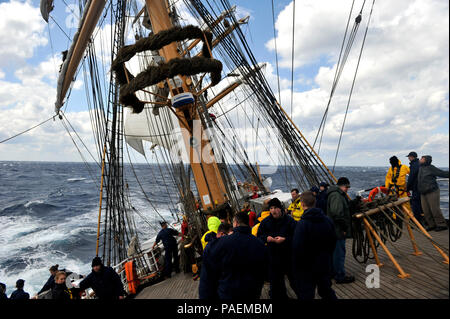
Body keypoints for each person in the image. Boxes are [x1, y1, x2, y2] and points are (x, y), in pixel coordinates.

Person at [199, 211, 267, 299]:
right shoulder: (259, 244)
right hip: (253, 293)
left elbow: (208, 276)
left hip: (228, 294)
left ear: (235, 223)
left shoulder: (221, 243)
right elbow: (265, 271)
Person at [292, 191, 337, 300]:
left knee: (307, 294)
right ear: (315, 202)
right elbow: (333, 241)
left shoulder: (302, 224)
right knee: (326, 291)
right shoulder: (327, 220)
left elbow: (297, 247)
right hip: (324, 263)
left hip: (307, 267)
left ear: (302, 204)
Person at [257, 197, 297, 299]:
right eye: (271, 208)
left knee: (295, 281)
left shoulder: (289, 220)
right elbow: (259, 237)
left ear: (280, 208)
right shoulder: (265, 222)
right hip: (273, 256)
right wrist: (266, 238)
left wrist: (285, 239)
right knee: (276, 283)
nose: (273, 211)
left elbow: (297, 236)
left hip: (288, 255)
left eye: (275, 208)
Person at [326, 177, 355, 284]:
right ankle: (340, 276)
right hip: (337, 230)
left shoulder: (335, 194)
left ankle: (334, 273)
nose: (347, 189)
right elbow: (337, 213)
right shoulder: (336, 196)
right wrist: (343, 228)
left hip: (333, 229)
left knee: (334, 253)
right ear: (342, 186)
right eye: (347, 187)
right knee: (339, 254)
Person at [418, 155, 449, 231]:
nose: (420, 159)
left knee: (434, 209)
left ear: (426, 160)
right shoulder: (420, 167)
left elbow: (442, 173)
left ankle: (441, 224)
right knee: (426, 210)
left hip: (432, 191)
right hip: (423, 192)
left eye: (422, 158)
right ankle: (431, 225)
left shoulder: (431, 167)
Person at [406, 152, 425, 225]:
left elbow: (411, 177)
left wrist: (407, 188)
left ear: (412, 157)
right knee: (420, 204)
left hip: (416, 188)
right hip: (421, 187)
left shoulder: (414, 165)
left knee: (415, 204)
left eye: (409, 157)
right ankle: (422, 221)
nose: (408, 158)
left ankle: (417, 222)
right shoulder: (419, 164)